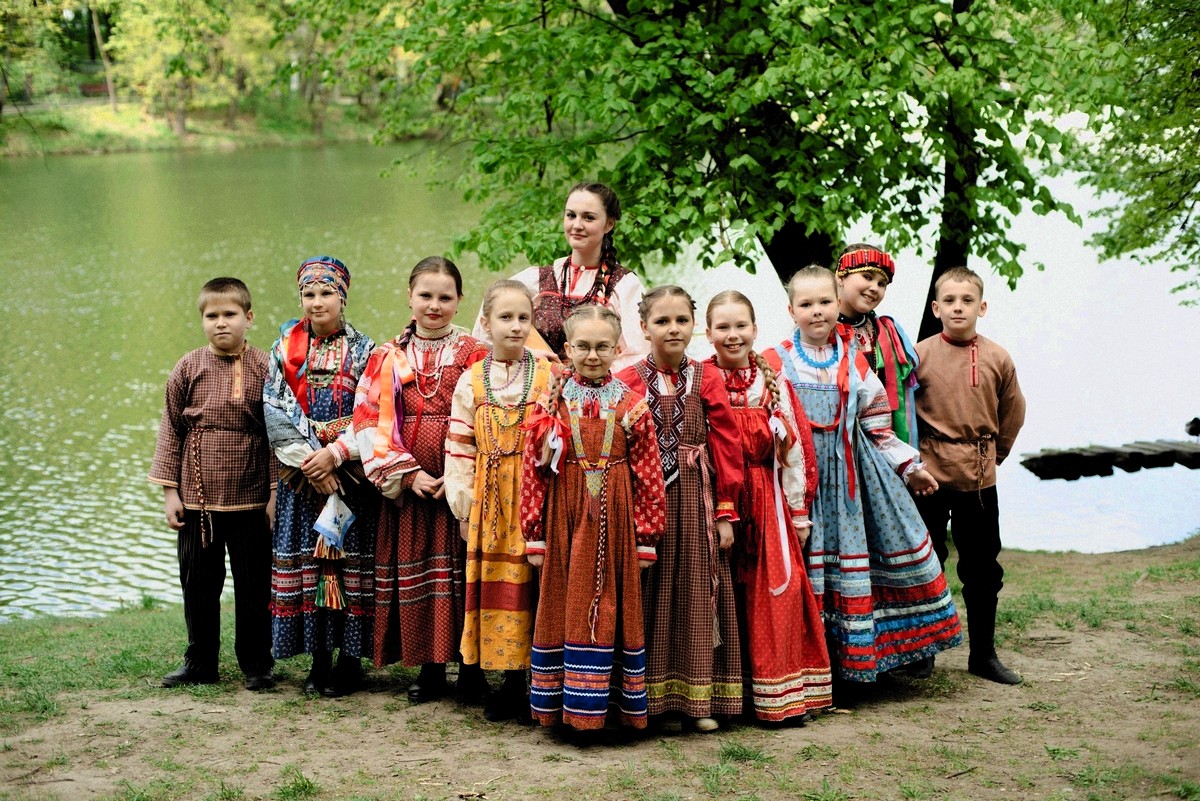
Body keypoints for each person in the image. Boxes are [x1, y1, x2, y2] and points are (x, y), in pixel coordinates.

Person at [765, 266, 962, 685]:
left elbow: (877, 426)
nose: (817, 311)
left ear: (837, 304)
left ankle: (857, 661)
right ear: (791, 310)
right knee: (803, 569)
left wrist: (910, 467)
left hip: (851, 479)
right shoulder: (774, 361)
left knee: (865, 562)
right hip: (796, 481)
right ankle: (808, 666)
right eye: (806, 304)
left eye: (824, 302)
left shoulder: (853, 359)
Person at [520, 304, 667, 732]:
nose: (592, 355)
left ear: (617, 349)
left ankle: (608, 709)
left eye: (603, 346)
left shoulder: (633, 406)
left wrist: (646, 538)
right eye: (582, 346)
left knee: (610, 605)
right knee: (563, 603)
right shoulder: (550, 404)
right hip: (563, 518)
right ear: (567, 348)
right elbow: (533, 471)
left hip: (615, 521)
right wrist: (534, 534)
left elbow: (649, 474)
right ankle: (561, 708)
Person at [352, 256, 489, 702]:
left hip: (461, 480)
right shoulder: (387, 355)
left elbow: (489, 414)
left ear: (459, 300)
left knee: (463, 574)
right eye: (425, 295)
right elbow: (368, 419)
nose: (434, 305)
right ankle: (430, 670)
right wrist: (409, 475)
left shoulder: (476, 353)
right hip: (411, 486)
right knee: (424, 575)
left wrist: (459, 475)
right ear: (409, 297)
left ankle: (471, 671)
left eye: (444, 297)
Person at [616, 285, 744, 732]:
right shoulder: (628, 380)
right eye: (662, 321)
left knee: (694, 592)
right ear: (643, 327)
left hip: (695, 499)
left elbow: (726, 444)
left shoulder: (706, 377)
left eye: (681, 320)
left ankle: (696, 700)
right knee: (650, 593)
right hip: (643, 503)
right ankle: (651, 702)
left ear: (694, 326)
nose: (673, 329)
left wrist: (725, 511)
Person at [704, 291, 833, 724]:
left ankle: (781, 696)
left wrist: (797, 511)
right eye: (723, 327)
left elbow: (794, 451)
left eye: (741, 325)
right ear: (708, 333)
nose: (733, 334)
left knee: (776, 590)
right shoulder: (701, 379)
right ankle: (722, 698)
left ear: (755, 329)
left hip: (765, 497)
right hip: (715, 497)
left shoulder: (772, 383)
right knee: (722, 592)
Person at [149, 277, 277, 691]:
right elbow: (171, 430)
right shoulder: (188, 367)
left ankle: (257, 663)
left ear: (249, 317)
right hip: (197, 499)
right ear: (202, 320)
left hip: (251, 498)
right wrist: (170, 492)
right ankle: (200, 661)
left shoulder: (266, 366)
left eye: (230, 314)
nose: (221, 323)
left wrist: (275, 493)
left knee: (255, 585)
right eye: (212, 316)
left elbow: (278, 434)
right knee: (199, 584)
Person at [265, 257, 379, 697]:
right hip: (301, 477)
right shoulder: (284, 349)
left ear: (343, 297)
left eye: (326, 293)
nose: (317, 302)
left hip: (350, 475)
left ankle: (349, 662)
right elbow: (273, 409)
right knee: (312, 568)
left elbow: (372, 411)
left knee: (350, 567)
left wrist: (335, 457)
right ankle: (317, 659)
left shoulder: (366, 350)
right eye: (308, 294)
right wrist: (309, 465)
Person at [445, 279, 556, 721]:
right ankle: (490, 674)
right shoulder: (472, 380)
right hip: (489, 499)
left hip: (533, 496)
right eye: (505, 317)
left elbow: (557, 442)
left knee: (530, 584)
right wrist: (463, 503)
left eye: (523, 318)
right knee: (492, 583)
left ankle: (523, 681)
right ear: (486, 323)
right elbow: (459, 446)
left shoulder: (546, 376)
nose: (515, 326)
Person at [913, 266, 1027, 684]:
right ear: (936, 308)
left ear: (982, 307)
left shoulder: (997, 357)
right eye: (949, 301)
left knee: (982, 568)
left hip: (978, 476)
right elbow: (900, 409)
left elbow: (1013, 409)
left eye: (966, 301)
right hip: (927, 474)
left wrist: (997, 453)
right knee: (926, 563)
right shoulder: (918, 355)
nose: (957, 308)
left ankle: (983, 655)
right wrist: (911, 463)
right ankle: (923, 652)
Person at [472, 182, 648, 370]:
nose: (577, 225)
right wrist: (525, 355)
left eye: (588, 218)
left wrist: (586, 377)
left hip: (598, 386)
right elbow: (484, 333)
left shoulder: (624, 285)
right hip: (535, 384)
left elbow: (638, 358)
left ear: (609, 224)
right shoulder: (536, 279)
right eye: (571, 215)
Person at [835, 244, 920, 447]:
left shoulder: (888, 333)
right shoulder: (818, 330)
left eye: (882, 284)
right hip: (833, 437)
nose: (875, 287)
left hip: (881, 444)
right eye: (867, 277)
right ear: (840, 276)